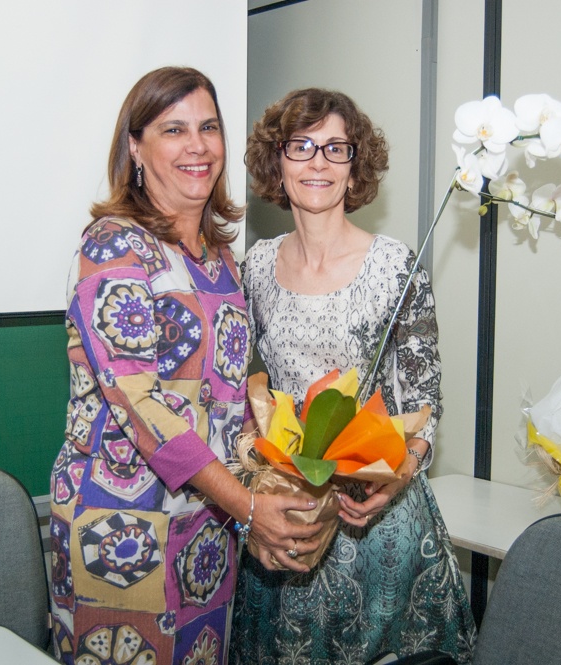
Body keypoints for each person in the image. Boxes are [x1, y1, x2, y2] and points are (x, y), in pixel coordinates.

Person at [49, 67, 323, 665]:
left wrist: (267, 487)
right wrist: (247, 506)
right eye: (173, 129)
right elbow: (142, 408)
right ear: (135, 148)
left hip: (208, 528)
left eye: (208, 127)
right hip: (120, 530)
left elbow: (228, 399)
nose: (197, 145)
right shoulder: (113, 247)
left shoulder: (221, 257)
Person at [230, 88, 477, 664]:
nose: (318, 162)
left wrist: (398, 475)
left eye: (336, 148)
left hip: (381, 521)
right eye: (302, 146)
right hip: (291, 516)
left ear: (355, 164)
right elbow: (250, 392)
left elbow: (424, 403)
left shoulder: (398, 266)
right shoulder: (255, 267)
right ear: (278, 162)